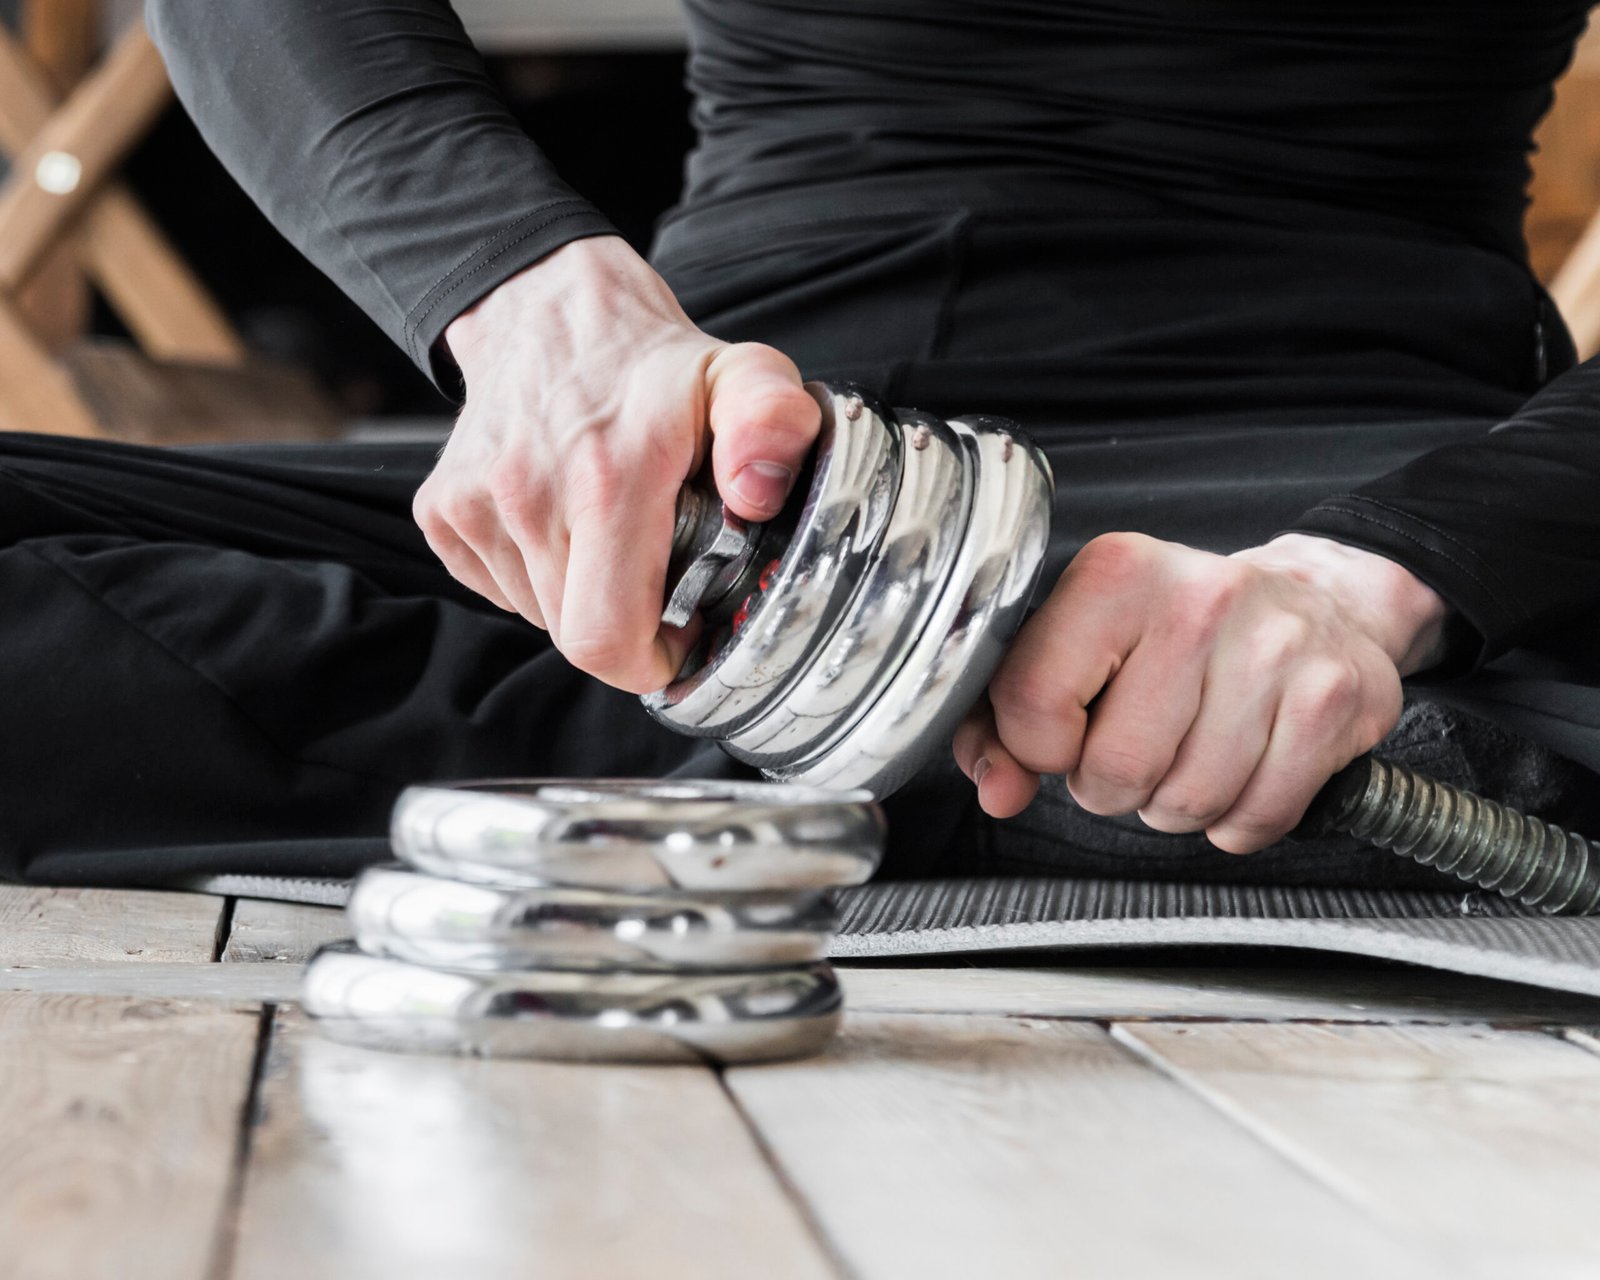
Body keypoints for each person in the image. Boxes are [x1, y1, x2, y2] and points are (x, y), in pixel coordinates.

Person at [2, 0, 1597, 891]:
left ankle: (917, 749)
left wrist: (1389, 574)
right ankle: (1007, 766)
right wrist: (532, 303)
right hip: (758, 490)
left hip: (1313, 486)